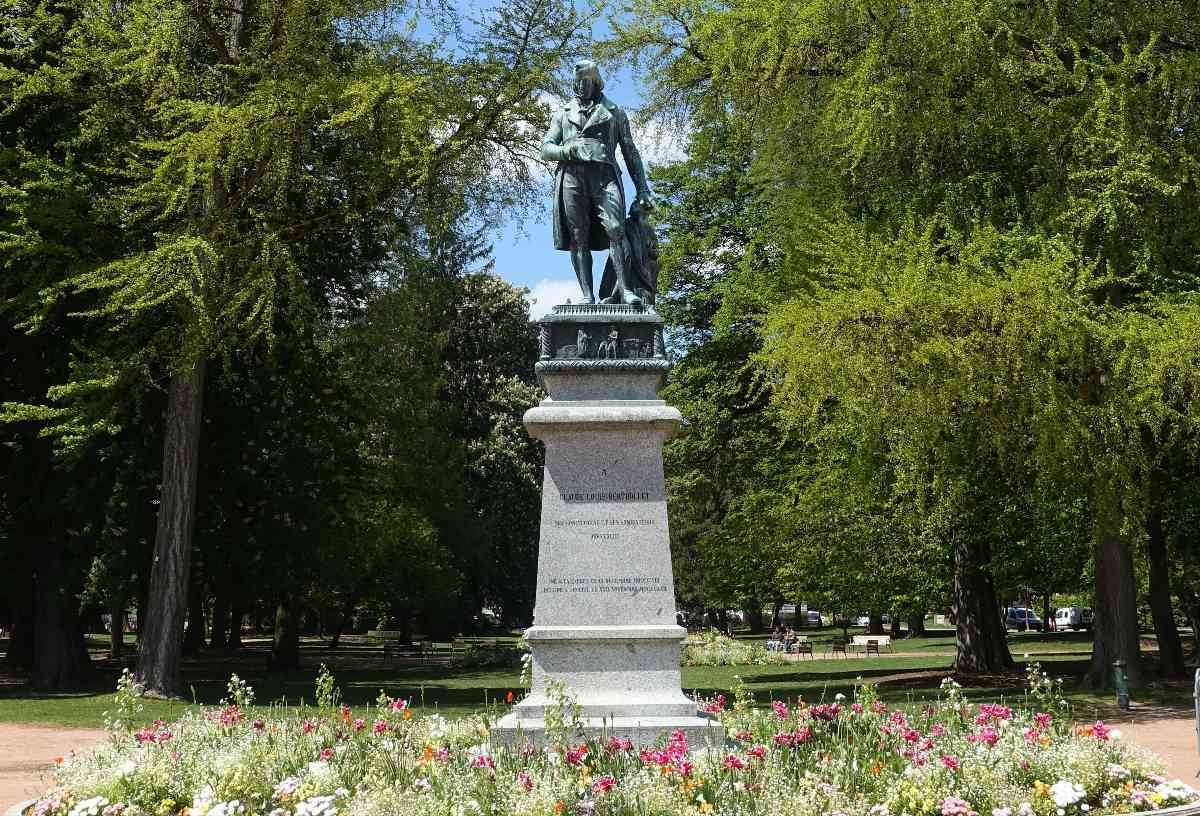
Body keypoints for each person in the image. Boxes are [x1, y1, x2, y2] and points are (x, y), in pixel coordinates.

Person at [541, 59, 653, 305]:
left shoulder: (614, 112)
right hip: (572, 178)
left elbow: (630, 151)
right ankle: (586, 295)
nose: (582, 86)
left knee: (616, 229)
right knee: (578, 236)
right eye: (578, 82)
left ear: (596, 82)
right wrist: (567, 150)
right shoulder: (563, 113)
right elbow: (546, 148)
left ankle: (625, 290)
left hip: (604, 176)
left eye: (587, 81)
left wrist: (643, 188)